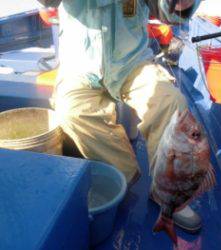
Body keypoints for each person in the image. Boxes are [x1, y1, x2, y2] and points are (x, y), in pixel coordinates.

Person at [38, 0, 202, 233]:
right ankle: (123, 176)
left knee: (171, 103)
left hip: (131, 64)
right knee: (70, 110)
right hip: (80, 66)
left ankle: (168, 193)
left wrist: (180, 3)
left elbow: (166, 11)